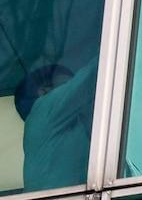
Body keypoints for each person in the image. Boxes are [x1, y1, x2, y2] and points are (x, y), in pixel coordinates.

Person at [15, 59, 98, 191]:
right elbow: (89, 78)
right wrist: (111, 49)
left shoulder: (64, 130)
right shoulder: (43, 109)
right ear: (44, 92)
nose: (70, 92)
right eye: (66, 85)